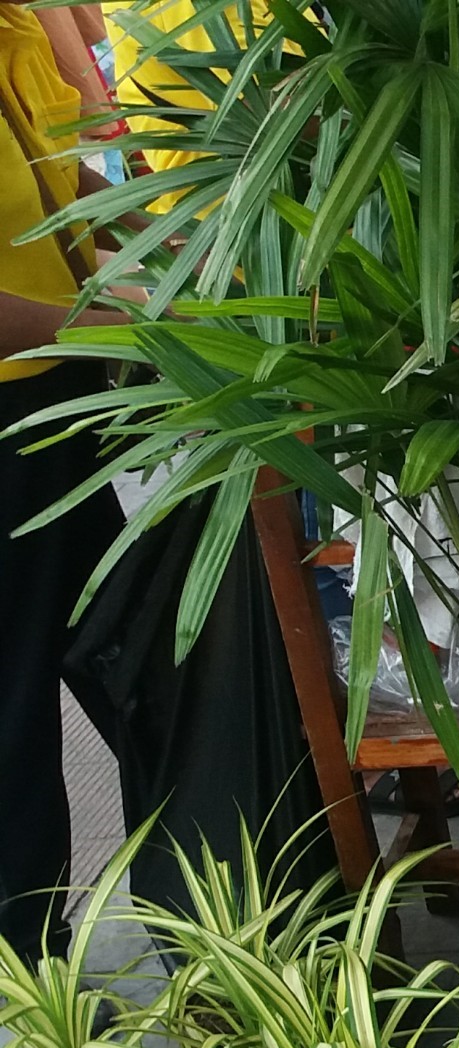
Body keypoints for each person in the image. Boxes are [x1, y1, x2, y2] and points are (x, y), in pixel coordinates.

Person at [0, 1, 123, 958]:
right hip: (11, 408)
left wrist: (168, 238)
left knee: (125, 644)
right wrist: (124, 324)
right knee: (15, 710)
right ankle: (31, 978)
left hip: (60, 396)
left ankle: (222, 896)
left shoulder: (20, 25)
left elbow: (60, 179)